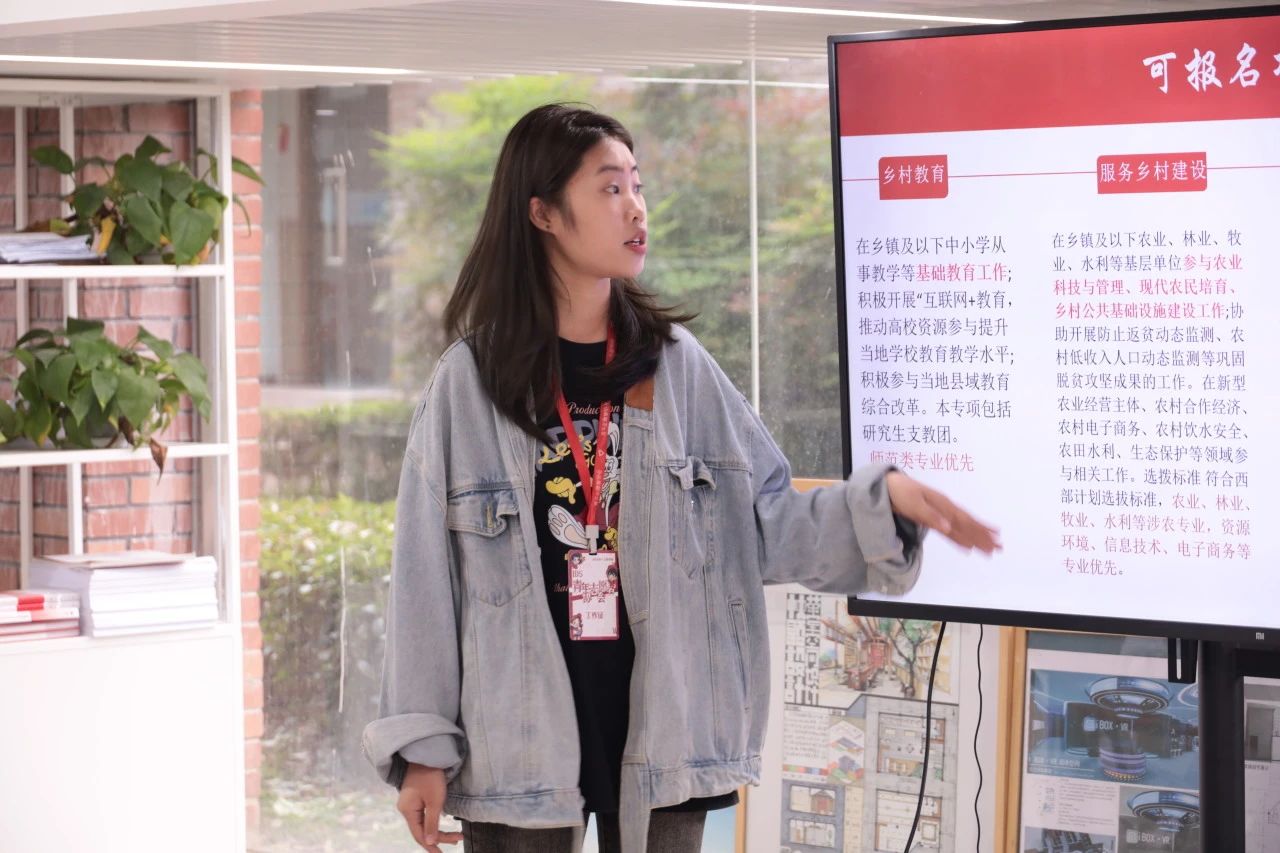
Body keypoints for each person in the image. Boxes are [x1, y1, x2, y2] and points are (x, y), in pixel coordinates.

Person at [362, 103, 1000, 853]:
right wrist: (423, 752)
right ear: (543, 213)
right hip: (517, 746)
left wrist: (880, 503)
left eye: (637, 184)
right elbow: (425, 580)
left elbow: (765, 520)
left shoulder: (677, 368)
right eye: (610, 188)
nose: (636, 208)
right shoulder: (470, 383)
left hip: (666, 731)